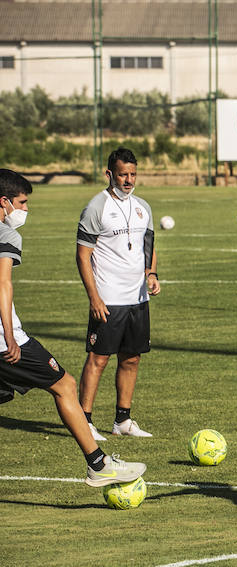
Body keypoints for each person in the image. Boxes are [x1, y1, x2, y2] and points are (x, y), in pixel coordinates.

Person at [0, 169, 146, 487]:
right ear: (4, 202)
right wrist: (9, 336)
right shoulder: (5, 234)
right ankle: (99, 464)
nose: (25, 210)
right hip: (5, 342)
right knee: (65, 385)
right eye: (22, 203)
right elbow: (3, 284)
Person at [76, 148, 160, 440]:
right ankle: (84, 420)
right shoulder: (96, 207)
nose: (128, 180)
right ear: (109, 173)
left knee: (131, 358)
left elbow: (148, 244)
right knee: (99, 358)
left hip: (137, 299)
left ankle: (122, 420)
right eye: (123, 174)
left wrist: (151, 274)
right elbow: (82, 256)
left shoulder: (142, 207)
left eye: (133, 174)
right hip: (108, 298)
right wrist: (94, 297)